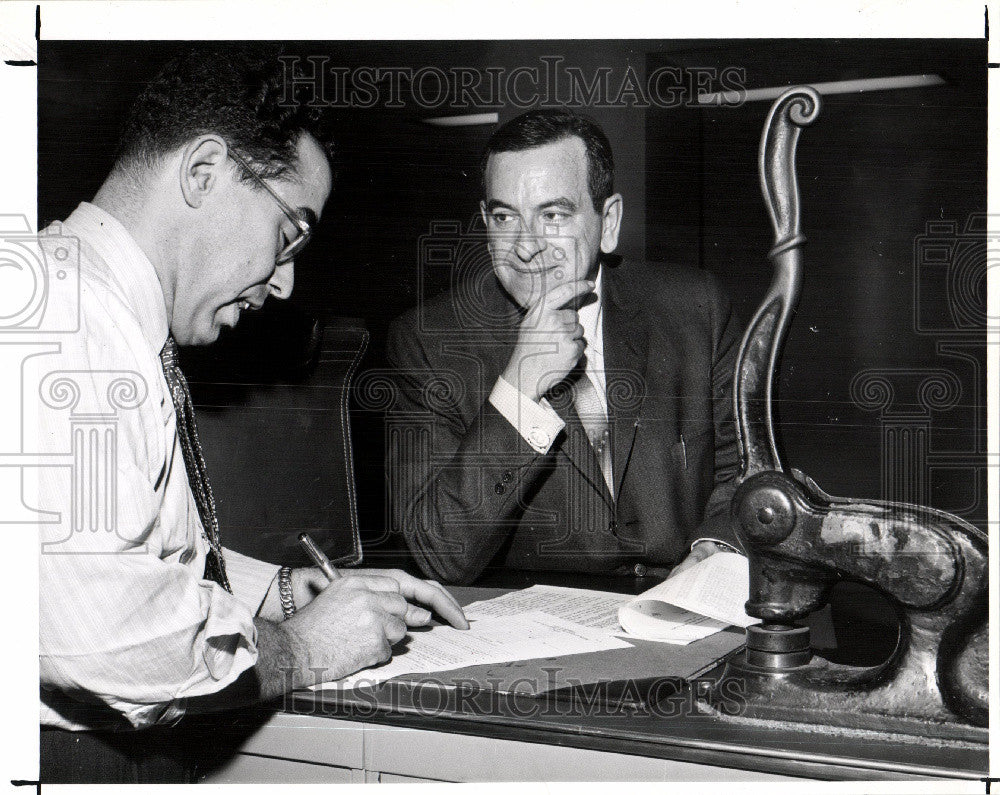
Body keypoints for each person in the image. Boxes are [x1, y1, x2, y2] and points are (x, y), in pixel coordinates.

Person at [34, 49, 466, 781]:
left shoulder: (91, 309)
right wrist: (304, 644)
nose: (287, 280)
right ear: (203, 173)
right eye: (290, 231)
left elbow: (113, 549)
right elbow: (103, 635)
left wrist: (283, 591)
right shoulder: (62, 320)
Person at [386, 109, 743, 585]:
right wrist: (518, 389)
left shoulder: (696, 308)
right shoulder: (428, 342)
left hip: (689, 608)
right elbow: (440, 555)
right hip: (534, 632)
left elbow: (748, 468)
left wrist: (712, 550)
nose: (525, 245)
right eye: (504, 216)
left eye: (553, 215)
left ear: (608, 220)